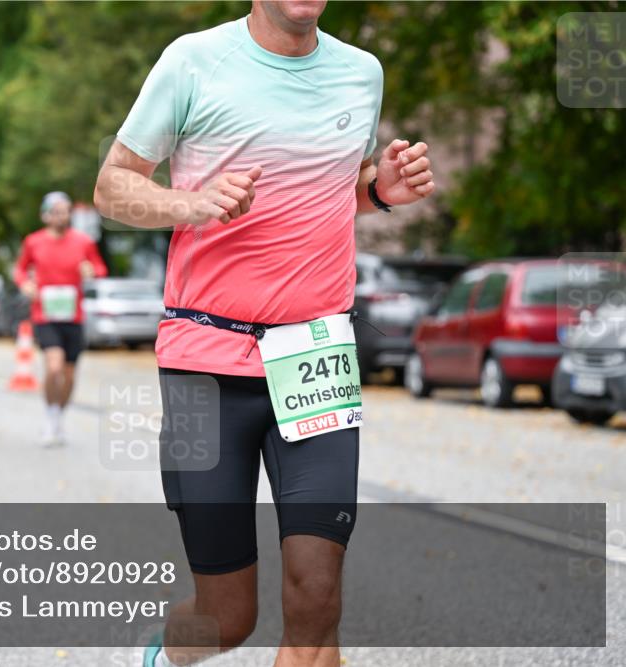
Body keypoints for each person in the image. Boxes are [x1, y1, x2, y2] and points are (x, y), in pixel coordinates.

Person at [94, 3, 435, 666]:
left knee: (317, 595)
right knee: (227, 616)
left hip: (316, 358)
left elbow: (339, 188)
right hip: (202, 363)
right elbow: (111, 187)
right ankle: (157, 658)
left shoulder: (362, 73)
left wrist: (381, 188)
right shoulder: (192, 61)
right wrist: (188, 203)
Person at [13, 191, 108, 446]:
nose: (60, 215)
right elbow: (20, 270)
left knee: (68, 376)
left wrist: (91, 271)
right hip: (45, 314)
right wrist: (25, 285)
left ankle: (58, 415)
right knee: (53, 367)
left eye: (65, 210)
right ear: (45, 215)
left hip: (73, 316)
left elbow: (100, 268)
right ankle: (49, 416)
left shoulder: (83, 241)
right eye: (55, 211)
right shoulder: (33, 242)